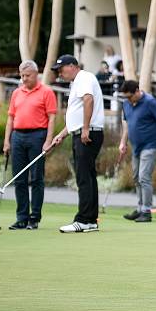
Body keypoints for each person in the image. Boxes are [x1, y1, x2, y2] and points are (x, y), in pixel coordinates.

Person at [50, 54, 105, 233]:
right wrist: (62, 134)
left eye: (61, 69)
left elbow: (88, 100)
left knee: (84, 177)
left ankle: (84, 220)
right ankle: (90, 220)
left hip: (86, 135)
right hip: (81, 133)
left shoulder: (84, 77)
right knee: (87, 176)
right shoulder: (77, 82)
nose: (60, 73)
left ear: (73, 66)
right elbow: (77, 113)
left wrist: (86, 129)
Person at [2, 60, 57, 230]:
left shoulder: (47, 92)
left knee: (36, 178)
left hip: (37, 136)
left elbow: (52, 118)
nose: (24, 79)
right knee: (19, 179)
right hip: (18, 137)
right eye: (22, 75)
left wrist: (48, 141)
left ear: (36, 74)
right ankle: (22, 218)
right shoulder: (17, 93)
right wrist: (6, 141)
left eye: (27, 75)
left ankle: (34, 218)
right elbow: (10, 117)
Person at [117, 80, 156, 223]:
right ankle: (140, 208)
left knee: (144, 177)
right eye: (125, 97)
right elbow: (126, 124)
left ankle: (146, 211)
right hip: (136, 146)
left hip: (151, 145)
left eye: (129, 96)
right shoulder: (126, 103)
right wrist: (123, 142)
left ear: (137, 91)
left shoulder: (150, 102)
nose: (127, 99)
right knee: (136, 177)